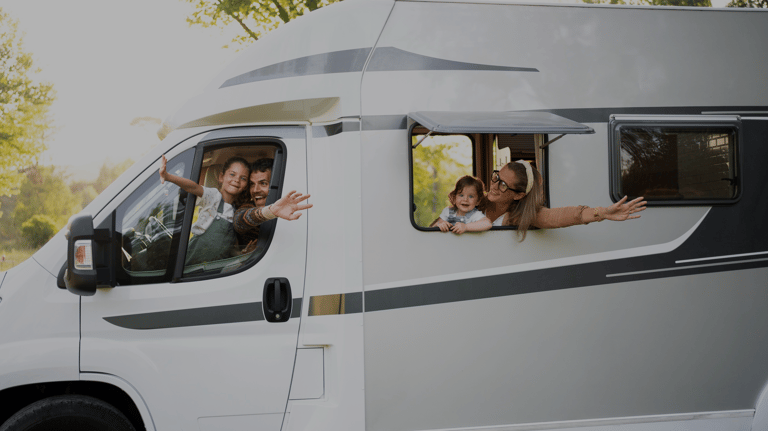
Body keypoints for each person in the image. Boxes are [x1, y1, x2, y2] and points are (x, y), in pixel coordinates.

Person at [479, 160, 646, 241]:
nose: (493, 185)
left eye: (502, 185)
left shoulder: (519, 215)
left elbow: (558, 216)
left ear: (518, 195)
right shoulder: (479, 201)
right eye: (496, 176)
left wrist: (601, 212)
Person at [159, 154, 250, 265]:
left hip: (211, 272)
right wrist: (168, 176)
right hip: (191, 264)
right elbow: (193, 187)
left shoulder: (236, 214)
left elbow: (228, 248)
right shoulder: (213, 197)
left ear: (246, 186)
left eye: (243, 178)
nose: (236, 180)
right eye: (232, 174)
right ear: (221, 177)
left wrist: (243, 254)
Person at [233, 158, 312, 254]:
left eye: (263, 183)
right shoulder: (248, 207)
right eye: (252, 184)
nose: (255, 190)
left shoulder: (295, 209)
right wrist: (270, 212)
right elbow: (239, 221)